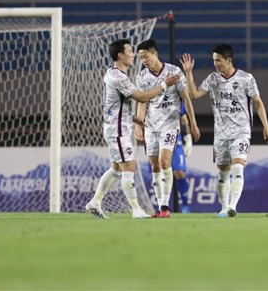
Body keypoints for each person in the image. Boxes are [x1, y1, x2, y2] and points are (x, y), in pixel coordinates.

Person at [85, 38, 180, 219]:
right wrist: (164, 85)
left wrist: (135, 118)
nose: (132, 54)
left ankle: (95, 202)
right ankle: (136, 210)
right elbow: (142, 97)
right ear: (120, 55)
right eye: (129, 51)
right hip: (118, 130)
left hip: (119, 126)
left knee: (116, 169)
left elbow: (117, 105)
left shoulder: (115, 74)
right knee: (129, 166)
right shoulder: (117, 76)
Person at [181, 43, 268, 218]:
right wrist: (188, 72)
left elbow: (258, 102)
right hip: (221, 133)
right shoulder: (213, 79)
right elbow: (193, 94)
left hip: (241, 131)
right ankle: (224, 207)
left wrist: (266, 126)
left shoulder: (246, 79)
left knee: (238, 167)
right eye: (214, 60)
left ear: (229, 60)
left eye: (218, 60)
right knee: (223, 171)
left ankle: (232, 206)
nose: (215, 64)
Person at [134, 39, 200, 218]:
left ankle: (164, 208)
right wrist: (139, 124)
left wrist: (193, 124)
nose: (144, 60)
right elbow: (142, 101)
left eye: (146, 56)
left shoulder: (174, 71)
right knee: (154, 166)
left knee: (165, 163)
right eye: (141, 58)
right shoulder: (142, 77)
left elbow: (186, 98)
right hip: (151, 127)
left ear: (155, 54)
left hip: (170, 125)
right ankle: (160, 206)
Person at [173, 103, 193, 213]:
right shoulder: (151, 90)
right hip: (156, 136)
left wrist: (188, 137)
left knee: (179, 172)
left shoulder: (175, 92)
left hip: (175, 138)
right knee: (158, 171)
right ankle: (161, 205)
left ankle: (185, 205)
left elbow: (183, 117)